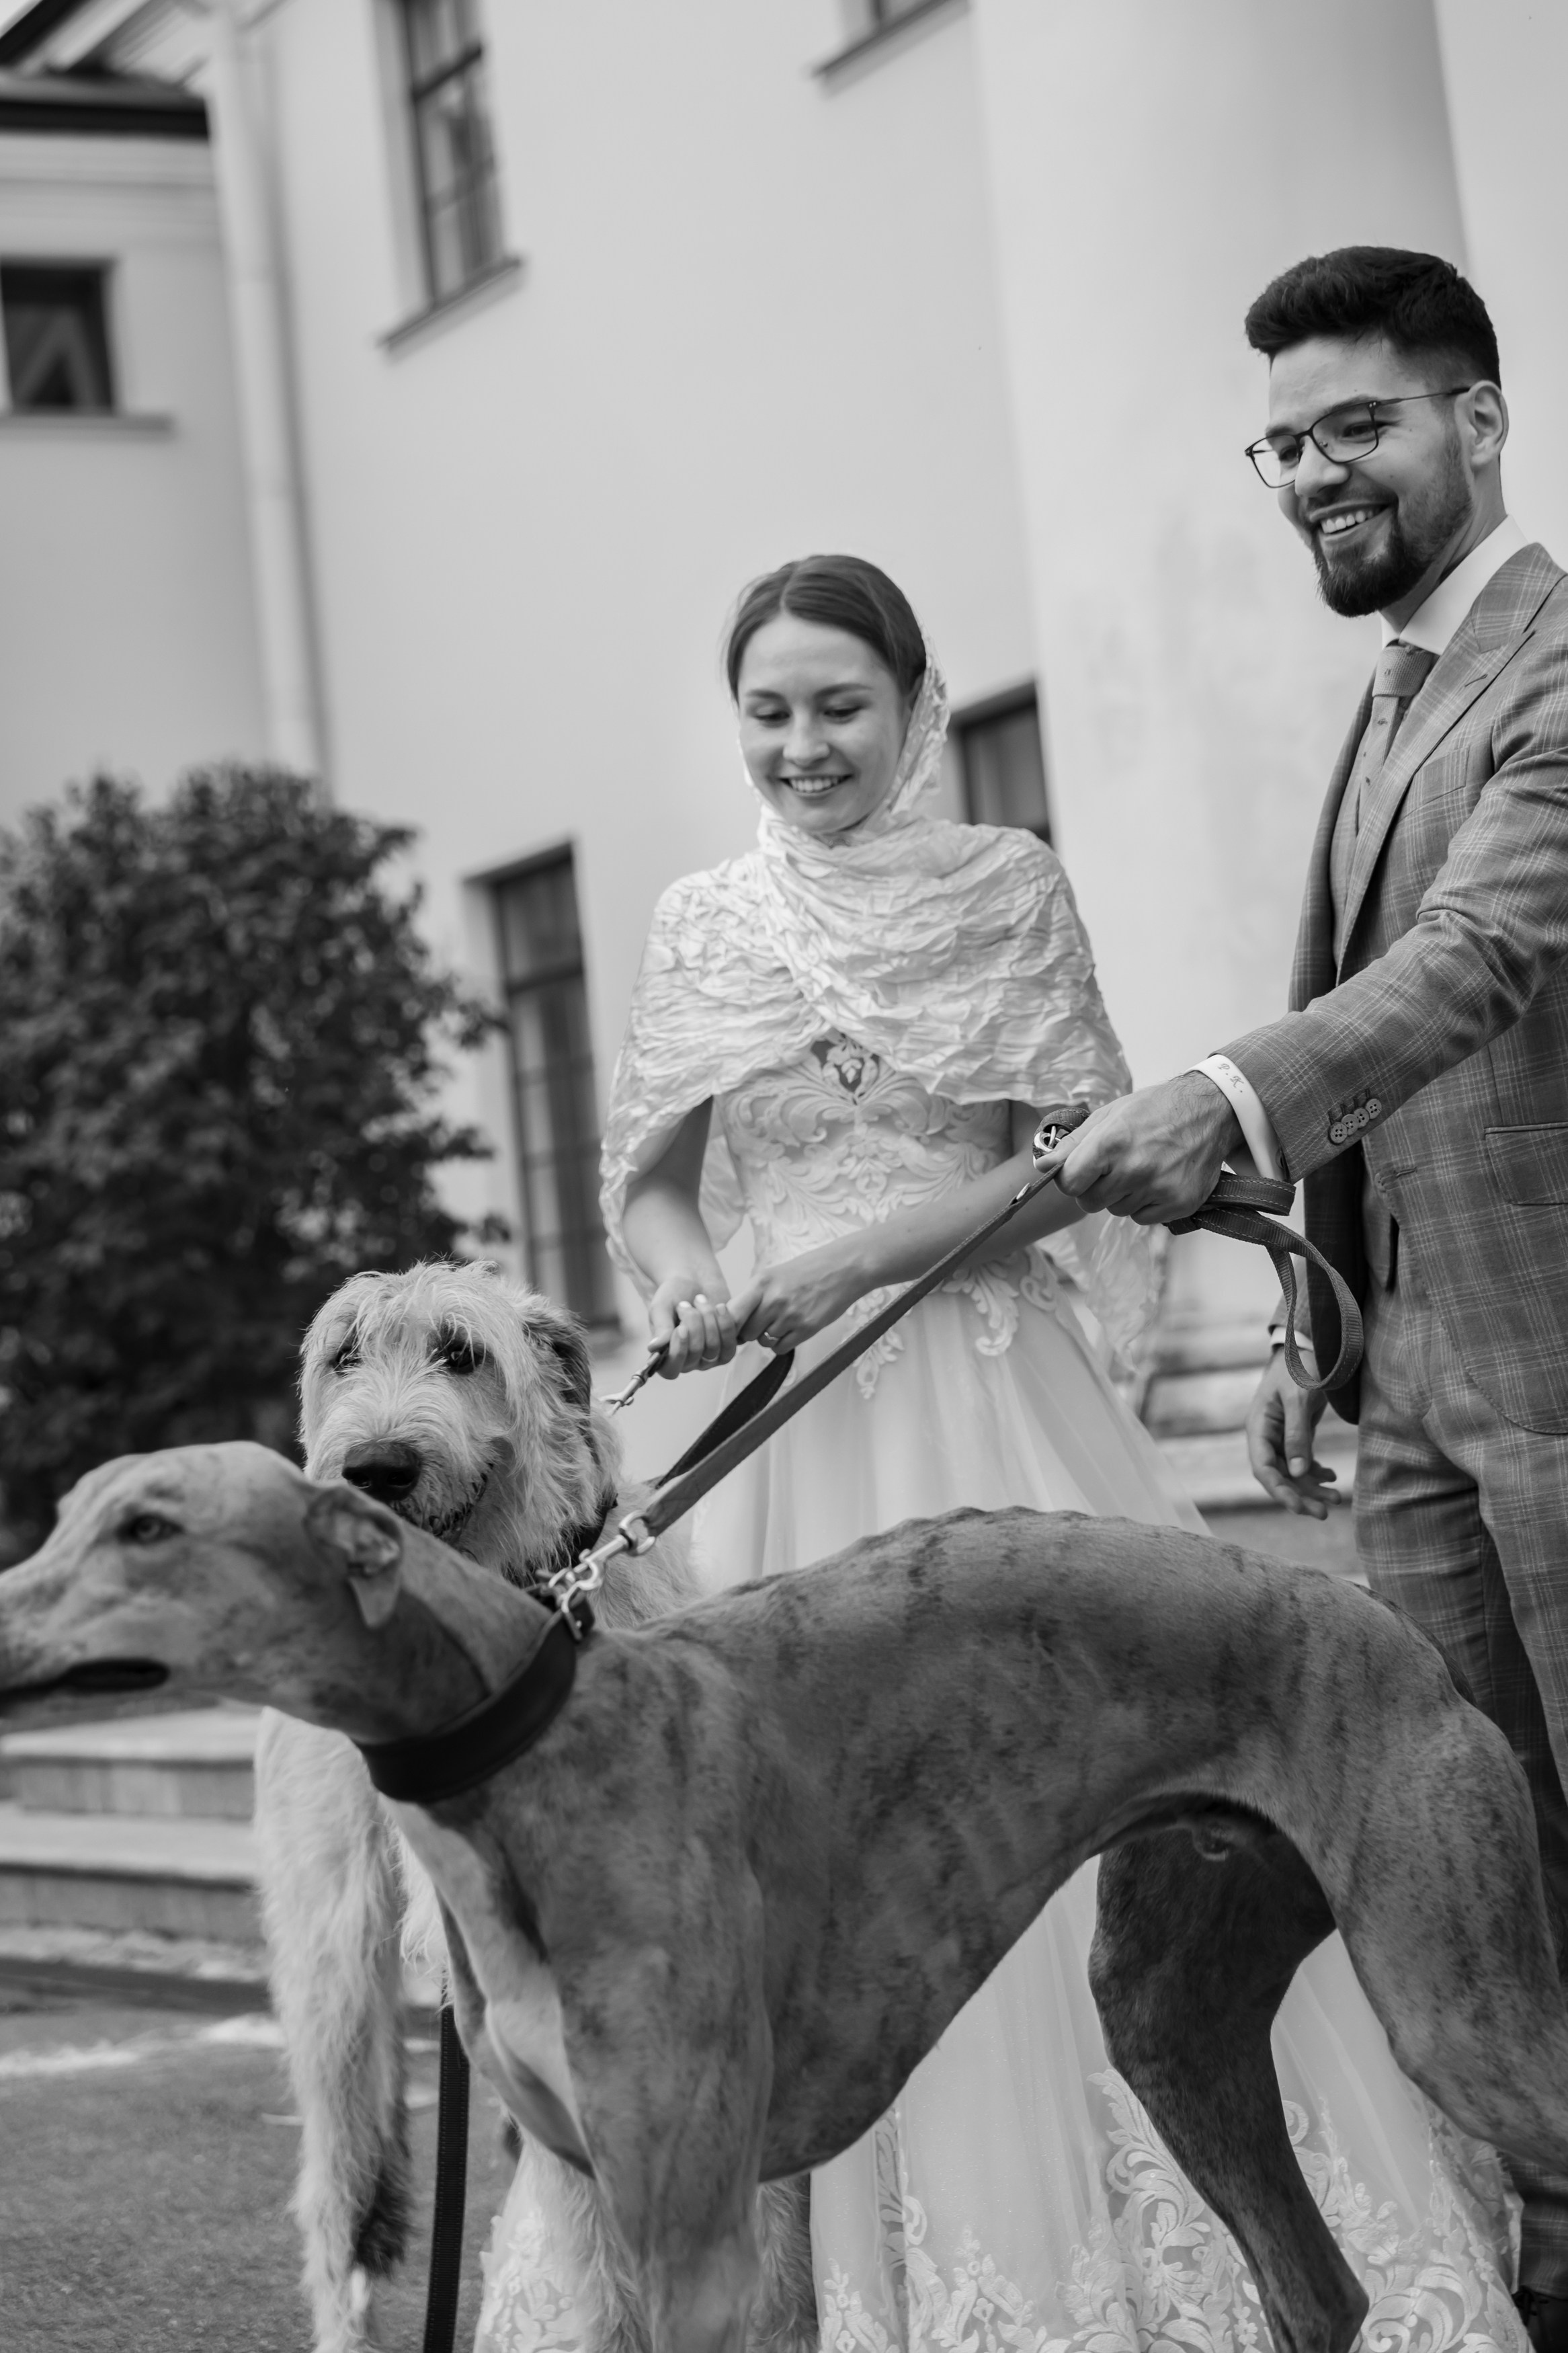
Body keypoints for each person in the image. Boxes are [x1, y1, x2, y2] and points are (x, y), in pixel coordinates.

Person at [464, 552, 1524, 2352]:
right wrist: (700, 1280)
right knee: (777, 1857)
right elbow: (648, 1173)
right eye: (770, 712)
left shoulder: (1007, 884)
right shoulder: (708, 915)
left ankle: (1164, 2265)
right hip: (793, 1454)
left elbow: (1067, 1161)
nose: (805, 744)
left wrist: (849, 1261)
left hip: (989, 1395)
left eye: (839, 707)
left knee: (1062, 1804)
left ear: (915, 706)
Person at [1038, 247, 1568, 2346]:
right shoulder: (1396, 686)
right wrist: (1313, 1311)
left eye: (1361, 424)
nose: (1316, 473)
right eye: (1288, 439)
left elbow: (1477, 963)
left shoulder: (1554, 664)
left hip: (1564, 1378)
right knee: (1478, 1874)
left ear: (1478, 421)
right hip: (1419, 1405)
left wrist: (1233, 1094)